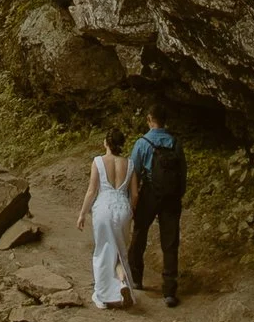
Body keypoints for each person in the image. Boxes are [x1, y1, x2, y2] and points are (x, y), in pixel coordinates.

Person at [127, 101, 187, 304]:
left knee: (139, 233)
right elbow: (183, 173)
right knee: (170, 243)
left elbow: (133, 172)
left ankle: (136, 278)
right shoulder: (175, 143)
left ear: (150, 120)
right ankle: (169, 290)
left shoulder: (143, 143)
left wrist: (133, 198)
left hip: (150, 193)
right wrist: (178, 194)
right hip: (171, 197)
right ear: (165, 121)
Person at [76, 127, 137, 309]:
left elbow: (91, 191)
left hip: (104, 208)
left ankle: (103, 296)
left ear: (106, 143)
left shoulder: (98, 161)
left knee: (103, 251)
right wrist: (131, 211)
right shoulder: (130, 164)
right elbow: (134, 194)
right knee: (120, 250)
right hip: (123, 208)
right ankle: (123, 283)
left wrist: (82, 214)